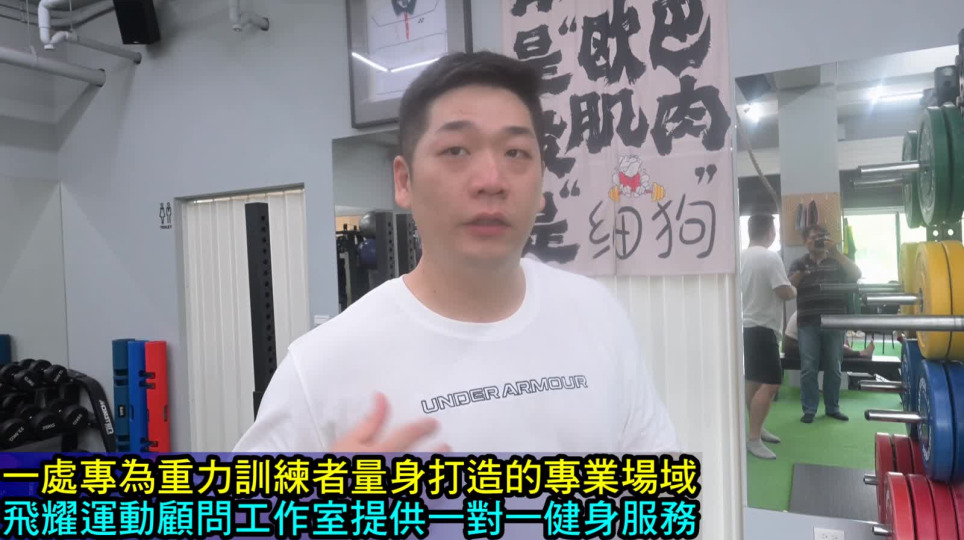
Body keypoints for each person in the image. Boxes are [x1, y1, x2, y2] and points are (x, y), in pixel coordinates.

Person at [234, 52, 679, 453]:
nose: (491, 180)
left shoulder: (597, 316)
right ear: (404, 181)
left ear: (542, 182)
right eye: (456, 150)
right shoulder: (321, 368)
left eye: (516, 152)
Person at [789, 224, 863, 424]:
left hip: (835, 322)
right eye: (813, 237)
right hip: (807, 322)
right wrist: (802, 273)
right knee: (808, 367)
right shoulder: (799, 263)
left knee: (834, 366)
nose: (817, 241)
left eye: (821, 237)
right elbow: (789, 286)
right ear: (805, 242)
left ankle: (832, 408)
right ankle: (809, 410)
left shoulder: (837, 260)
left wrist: (836, 252)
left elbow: (856, 273)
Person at [740, 214, 796, 460]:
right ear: (770, 232)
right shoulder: (770, 257)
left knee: (753, 381)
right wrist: (794, 288)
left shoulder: (741, 257)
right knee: (772, 383)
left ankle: (756, 428)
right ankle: (753, 438)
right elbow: (784, 292)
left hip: (747, 327)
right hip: (763, 328)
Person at [783, 311, 874, 359]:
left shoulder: (817, 308)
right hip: (793, 346)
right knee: (832, 349)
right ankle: (861, 353)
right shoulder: (821, 311)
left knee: (832, 347)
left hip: (793, 344)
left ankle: (858, 353)